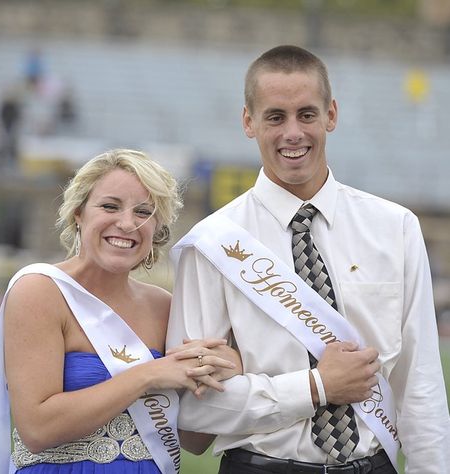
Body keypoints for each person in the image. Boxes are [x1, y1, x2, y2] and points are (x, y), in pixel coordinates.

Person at [166, 45, 450, 473]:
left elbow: (421, 384)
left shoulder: (396, 227)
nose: (293, 132)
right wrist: (315, 387)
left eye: (307, 114)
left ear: (331, 115)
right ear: (249, 122)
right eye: (275, 117)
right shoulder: (211, 245)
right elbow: (191, 413)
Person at [0, 148, 242, 474]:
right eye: (110, 206)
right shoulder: (39, 290)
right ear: (78, 213)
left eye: (144, 212)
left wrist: (226, 369)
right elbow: (37, 430)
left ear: (157, 227)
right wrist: (148, 374)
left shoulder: (165, 306)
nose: (126, 224)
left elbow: (193, 440)